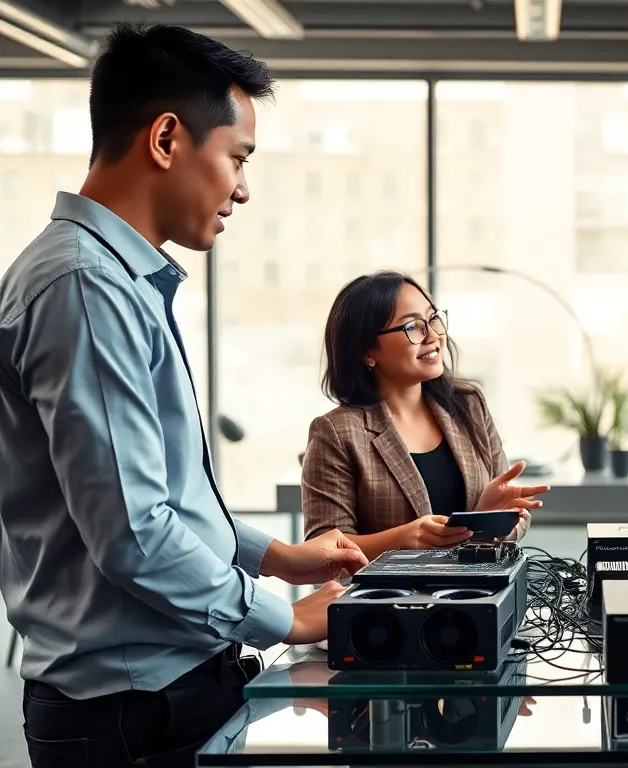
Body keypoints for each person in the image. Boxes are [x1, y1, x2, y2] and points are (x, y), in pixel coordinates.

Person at [0, 24, 369, 768]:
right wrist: (289, 619)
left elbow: (163, 496)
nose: (243, 188)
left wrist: (280, 557)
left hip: (157, 695)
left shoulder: (114, 279)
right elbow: (134, 533)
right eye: (237, 157)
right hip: (129, 713)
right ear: (167, 139)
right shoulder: (85, 286)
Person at [301, 271, 546, 559]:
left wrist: (489, 519)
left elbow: (512, 519)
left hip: (479, 587)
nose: (433, 335)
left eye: (433, 319)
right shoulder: (336, 432)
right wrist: (402, 539)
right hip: (389, 590)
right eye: (412, 327)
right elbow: (322, 552)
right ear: (367, 352)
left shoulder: (468, 405)